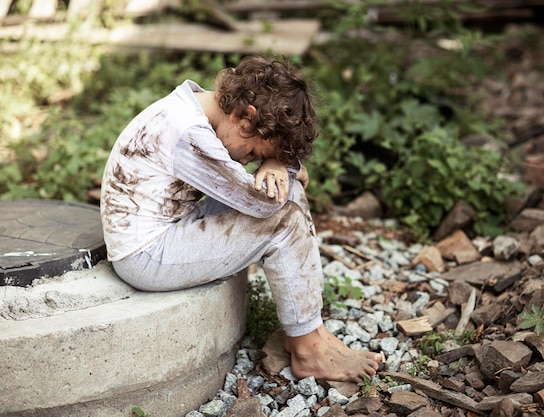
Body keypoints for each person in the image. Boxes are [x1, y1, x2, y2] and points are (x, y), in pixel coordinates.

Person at [100, 55, 382, 383]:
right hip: (146, 255)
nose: (249, 160)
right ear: (246, 118)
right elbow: (261, 205)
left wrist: (276, 163)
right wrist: (283, 166)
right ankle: (308, 352)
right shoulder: (188, 133)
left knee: (287, 195)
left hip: (173, 227)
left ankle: (308, 332)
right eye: (253, 154)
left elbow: (268, 191)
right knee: (283, 217)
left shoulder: (197, 107)